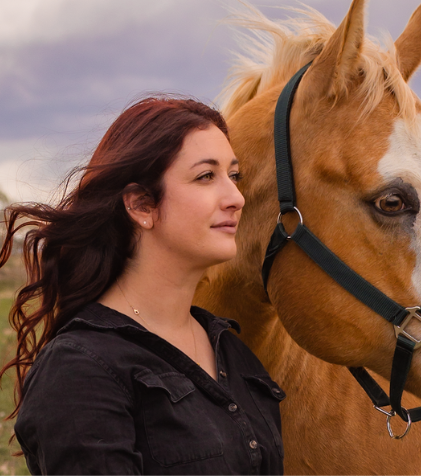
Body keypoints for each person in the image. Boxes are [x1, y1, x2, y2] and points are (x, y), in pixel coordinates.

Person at [0, 96, 286, 475]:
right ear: (141, 206)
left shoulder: (232, 351)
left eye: (233, 176)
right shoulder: (80, 370)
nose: (236, 198)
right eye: (206, 176)